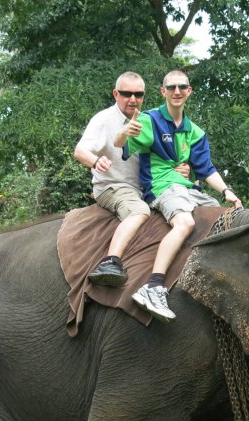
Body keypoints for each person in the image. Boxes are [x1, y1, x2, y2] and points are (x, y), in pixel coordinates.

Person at [114, 69, 242, 321]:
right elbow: (121, 145)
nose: (177, 92)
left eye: (182, 87)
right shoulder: (149, 120)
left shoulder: (195, 131)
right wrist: (124, 132)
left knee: (220, 213)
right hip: (162, 187)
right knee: (185, 222)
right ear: (163, 92)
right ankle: (153, 286)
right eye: (171, 87)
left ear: (189, 91)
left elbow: (206, 169)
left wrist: (227, 191)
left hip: (187, 188)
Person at [73, 72, 190, 287]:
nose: (133, 99)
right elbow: (80, 151)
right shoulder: (104, 119)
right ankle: (110, 262)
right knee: (139, 211)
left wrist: (180, 168)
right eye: (126, 94)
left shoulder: (148, 120)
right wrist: (95, 161)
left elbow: (162, 158)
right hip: (113, 186)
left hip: (146, 190)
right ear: (116, 94)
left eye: (138, 94)